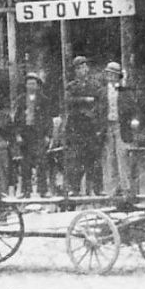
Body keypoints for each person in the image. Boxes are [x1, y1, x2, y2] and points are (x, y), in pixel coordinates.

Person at [94, 61, 138, 195]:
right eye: (109, 74)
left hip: (121, 127)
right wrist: (98, 127)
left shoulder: (125, 91)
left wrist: (134, 120)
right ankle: (112, 190)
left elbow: (134, 108)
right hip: (107, 128)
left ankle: (125, 189)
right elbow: (97, 111)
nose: (111, 77)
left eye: (114, 75)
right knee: (109, 158)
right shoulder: (101, 92)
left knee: (122, 157)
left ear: (118, 76)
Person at [63, 57, 102, 195]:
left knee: (94, 159)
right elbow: (68, 100)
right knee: (76, 161)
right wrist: (85, 100)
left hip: (91, 127)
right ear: (75, 71)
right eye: (78, 68)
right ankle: (74, 190)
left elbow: (100, 101)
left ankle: (96, 189)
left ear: (88, 68)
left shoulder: (95, 85)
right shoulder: (71, 86)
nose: (81, 70)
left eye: (84, 67)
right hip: (76, 127)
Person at [12, 73, 52, 197]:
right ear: (25, 85)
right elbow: (17, 119)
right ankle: (26, 191)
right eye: (29, 83)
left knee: (41, 163)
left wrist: (48, 135)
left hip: (39, 135)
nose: (31, 86)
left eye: (33, 83)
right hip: (26, 135)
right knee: (26, 164)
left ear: (37, 85)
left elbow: (48, 119)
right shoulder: (21, 100)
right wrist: (18, 134)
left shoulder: (44, 100)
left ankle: (43, 190)